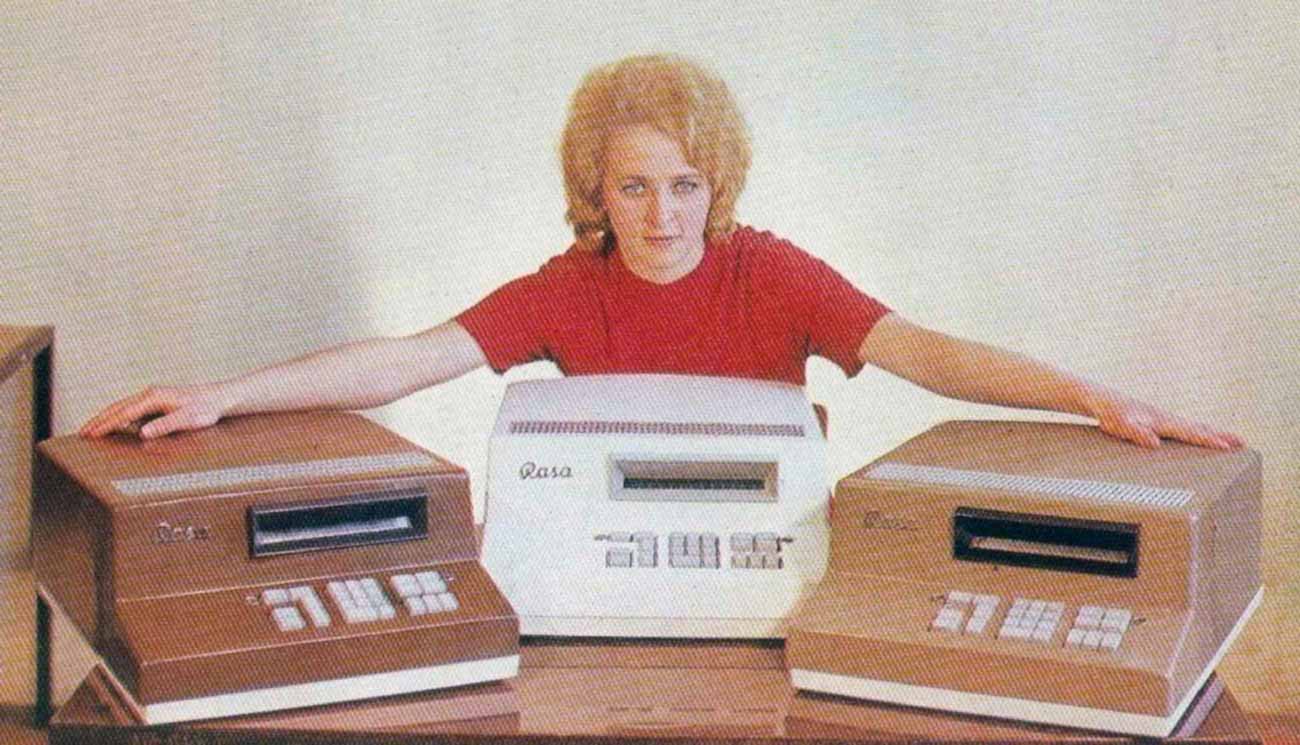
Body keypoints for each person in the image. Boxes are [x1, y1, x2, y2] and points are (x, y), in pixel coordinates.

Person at [81, 55, 1241, 451]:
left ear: (715, 184)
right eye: (634, 186)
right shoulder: (564, 291)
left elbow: (924, 352)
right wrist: (221, 396)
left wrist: (1090, 395)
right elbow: (403, 360)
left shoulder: (772, 272)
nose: (662, 215)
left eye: (685, 185)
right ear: (596, 189)